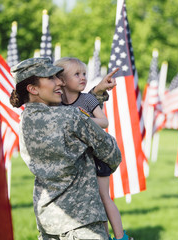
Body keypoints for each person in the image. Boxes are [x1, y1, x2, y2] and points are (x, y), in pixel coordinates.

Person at [10, 57, 122, 240]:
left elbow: (73, 103)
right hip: (83, 221)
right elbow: (112, 152)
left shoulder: (23, 121)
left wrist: (97, 93)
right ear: (33, 88)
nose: (60, 82)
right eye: (51, 78)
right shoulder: (71, 117)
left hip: (48, 221)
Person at [53, 57, 128, 240]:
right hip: (78, 160)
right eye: (76, 74)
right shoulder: (57, 104)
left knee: (103, 196)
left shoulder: (86, 100)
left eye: (84, 74)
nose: (83, 78)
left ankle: (120, 237)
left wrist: (81, 119)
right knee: (92, 201)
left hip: (97, 156)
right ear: (61, 81)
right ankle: (104, 235)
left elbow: (104, 121)